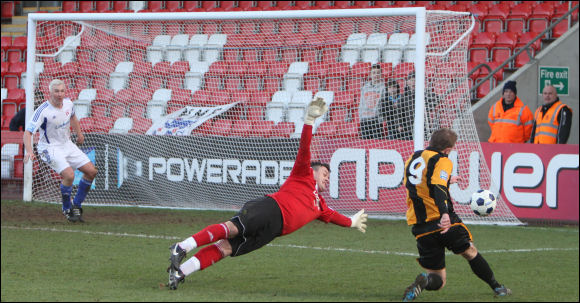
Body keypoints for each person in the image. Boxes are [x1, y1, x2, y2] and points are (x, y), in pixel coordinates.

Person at [166, 97, 368, 290]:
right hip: (270, 209)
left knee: (227, 248)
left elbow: (335, 217)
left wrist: (351, 222)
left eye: (328, 177)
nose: (327, 178)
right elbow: (304, 148)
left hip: (272, 231)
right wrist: (309, 120)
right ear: (313, 171)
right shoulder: (302, 174)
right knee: (232, 228)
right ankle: (181, 247)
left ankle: (180, 272)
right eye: (324, 173)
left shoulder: (320, 206)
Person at [401, 128, 511, 301]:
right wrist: (444, 214)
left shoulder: (413, 158)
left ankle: (425, 281)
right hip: (443, 221)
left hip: (420, 227)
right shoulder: (443, 160)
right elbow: (437, 188)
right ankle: (497, 287)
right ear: (447, 150)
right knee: (470, 252)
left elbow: (419, 182)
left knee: (438, 280)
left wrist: (446, 178)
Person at [23, 79, 98, 223]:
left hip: (67, 144)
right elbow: (28, 132)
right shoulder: (42, 111)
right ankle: (66, 208)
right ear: (50, 92)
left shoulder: (69, 104)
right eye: (56, 91)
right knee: (69, 175)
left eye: (62, 91)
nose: (59, 94)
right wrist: (29, 151)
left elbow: (73, 117)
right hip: (49, 148)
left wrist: (79, 133)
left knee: (91, 171)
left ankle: (76, 205)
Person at [358, 63, 387, 139]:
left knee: (377, 144)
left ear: (381, 74)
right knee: (365, 143)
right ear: (370, 74)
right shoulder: (365, 88)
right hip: (365, 119)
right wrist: (360, 117)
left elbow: (384, 104)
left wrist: (381, 118)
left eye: (378, 73)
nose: (376, 75)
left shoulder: (383, 88)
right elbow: (361, 103)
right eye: (374, 73)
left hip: (376, 120)